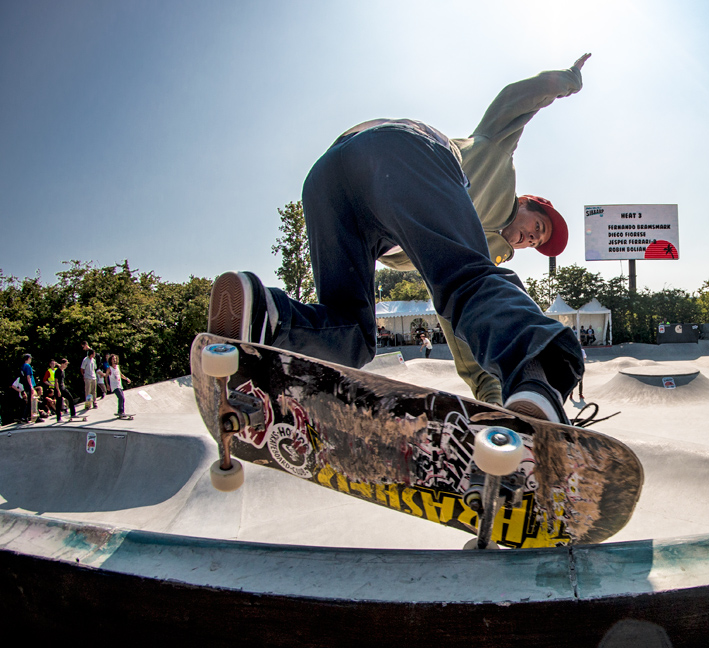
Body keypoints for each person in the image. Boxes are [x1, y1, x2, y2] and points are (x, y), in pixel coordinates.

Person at [208, 57, 592, 425]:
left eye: (533, 245)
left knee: (352, 334)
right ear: (527, 202)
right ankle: (539, 376)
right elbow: (515, 101)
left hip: (333, 188)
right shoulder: (497, 157)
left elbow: (457, 319)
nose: (529, 239)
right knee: (471, 282)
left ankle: (269, 318)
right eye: (537, 227)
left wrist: (493, 401)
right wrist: (565, 81)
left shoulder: (482, 253)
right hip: (402, 151)